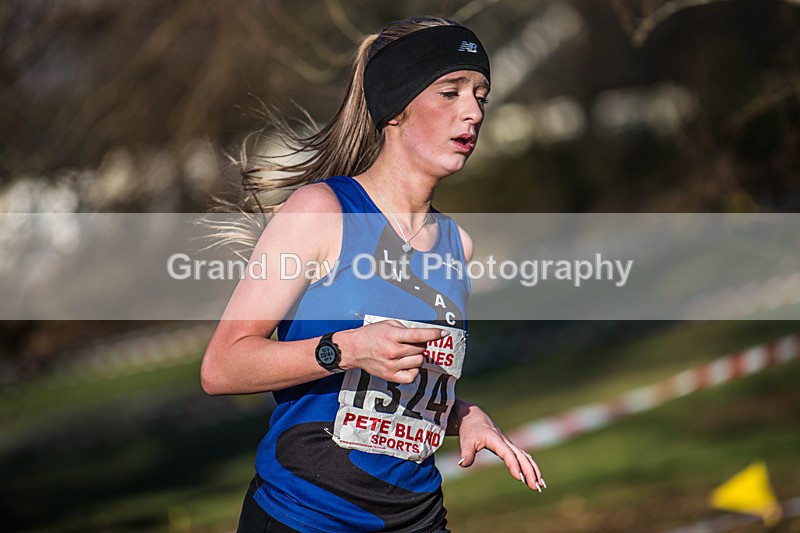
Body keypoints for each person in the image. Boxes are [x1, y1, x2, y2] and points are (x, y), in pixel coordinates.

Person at [201, 16, 544, 533]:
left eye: (480, 96)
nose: (473, 112)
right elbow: (221, 366)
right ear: (396, 109)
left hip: (418, 519)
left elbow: (396, 397)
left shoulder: (458, 246)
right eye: (450, 92)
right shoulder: (321, 212)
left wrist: (463, 414)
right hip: (305, 517)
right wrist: (345, 348)